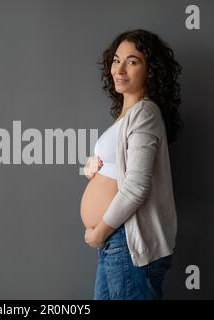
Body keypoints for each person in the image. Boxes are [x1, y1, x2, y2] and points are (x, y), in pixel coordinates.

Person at [79, 29, 183, 300]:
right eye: (116, 60)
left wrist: (100, 231)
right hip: (115, 241)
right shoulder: (126, 116)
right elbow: (122, 171)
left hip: (126, 241)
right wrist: (95, 170)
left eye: (132, 61)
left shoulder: (144, 113)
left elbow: (137, 186)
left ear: (150, 71)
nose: (120, 69)